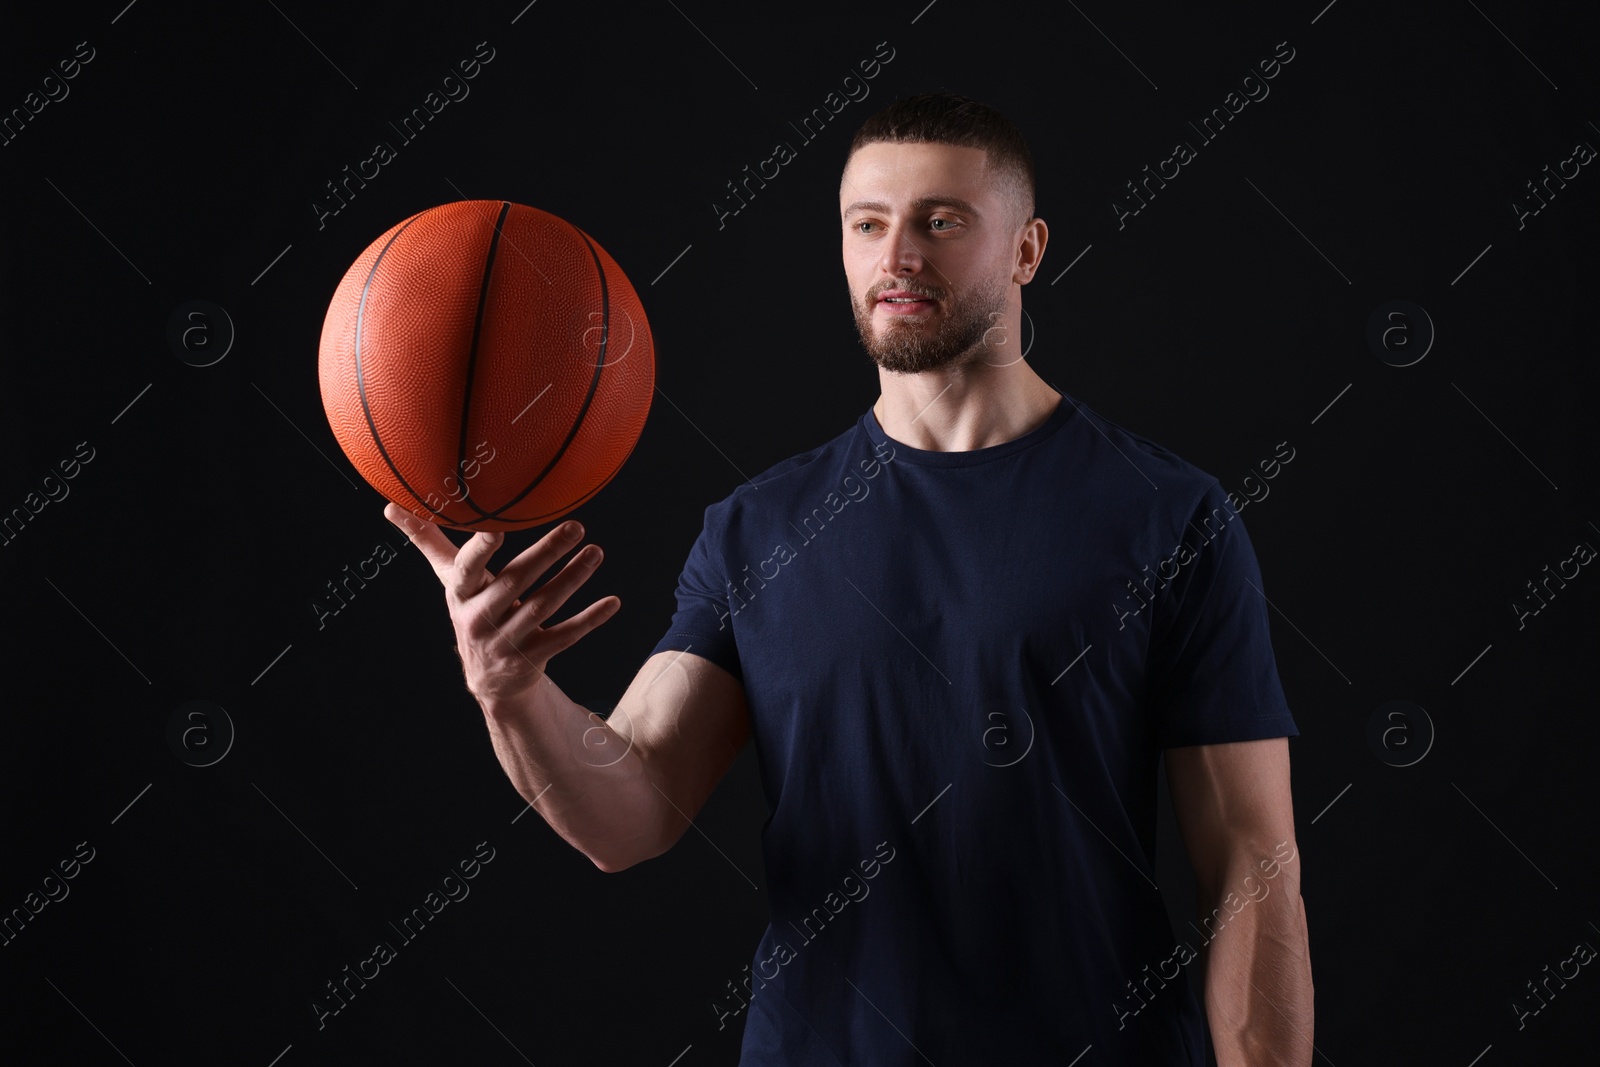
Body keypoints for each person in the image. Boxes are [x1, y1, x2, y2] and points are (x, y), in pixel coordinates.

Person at [388, 91, 1313, 1066]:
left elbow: (1254, 861)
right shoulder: (758, 527)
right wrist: (512, 690)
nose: (897, 256)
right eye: (867, 224)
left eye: (940, 221)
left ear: (1027, 251)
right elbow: (633, 809)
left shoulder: (1166, 514)